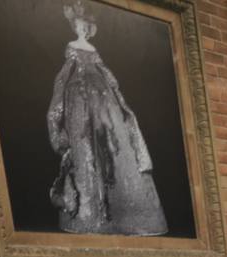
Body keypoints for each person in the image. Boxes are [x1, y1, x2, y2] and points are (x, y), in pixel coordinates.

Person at [48, 1, 167, 236]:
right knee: (85, 146)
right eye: (79, 26)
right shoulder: (72, 47)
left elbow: (103, 69)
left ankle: (122, 212)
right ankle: (88, 214)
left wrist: (113, 90)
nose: (82, 30)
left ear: (89, 28)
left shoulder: (94, 51)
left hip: (103, 97)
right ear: (75, 26)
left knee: (115, 142)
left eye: (86, 27)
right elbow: (64, 76)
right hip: (80, 96)